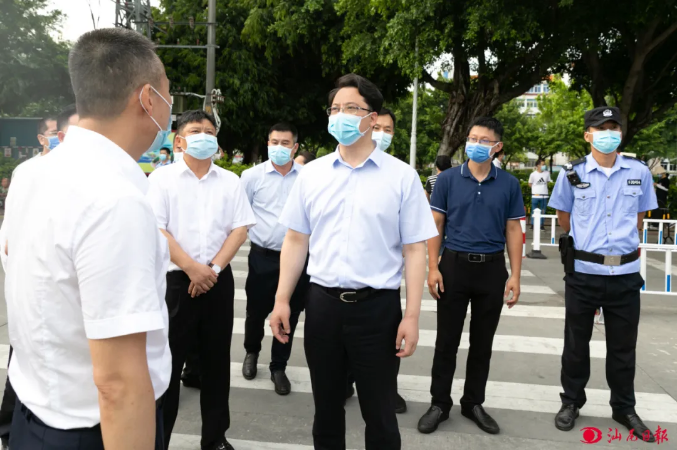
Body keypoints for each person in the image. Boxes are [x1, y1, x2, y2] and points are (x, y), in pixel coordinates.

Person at [2, 28, 172, 449]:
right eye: (169, 92)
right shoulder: (115, 200)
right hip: (94, 432)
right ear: (147, 99)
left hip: (33, 416)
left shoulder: (30, 174)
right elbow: (118, 384)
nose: (170, 105)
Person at [270, 73, 437, 450]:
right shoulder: (312, 175)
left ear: (372, 118)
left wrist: (412, 316)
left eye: (350, 108)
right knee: (326, 410)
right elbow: (296, 239)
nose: (340, 116)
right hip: (323, 307)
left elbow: (414, 249)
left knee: (380, 413)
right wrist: (282, 300)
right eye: (334, 109)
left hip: (377, 311)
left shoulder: (401, 177)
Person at [147, 109, 256, 450]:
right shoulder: (161, 180)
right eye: (196, 131)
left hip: (217, 281)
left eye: (210, 131)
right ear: (179, 140)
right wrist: (192, 268)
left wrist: (212, 269)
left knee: (216, 362)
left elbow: (240, 229)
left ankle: (215, 438)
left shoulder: (230, 181)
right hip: (176, 283)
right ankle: (159, 439)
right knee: (169, 363)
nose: (204, 136)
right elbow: (157, 229)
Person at [549, 106, 657, 442]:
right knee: (576, 344)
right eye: (600, 128)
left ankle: (624, 407)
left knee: (624, 348)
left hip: (625, 274)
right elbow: (565, 219)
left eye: (613, 128)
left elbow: (638, 218)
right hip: (584, 272)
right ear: (588, 135)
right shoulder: (571, 174)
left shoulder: (639, 172)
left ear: (620, 134)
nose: (608, 134)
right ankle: (571, 402)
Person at [418, 116, 524, 436]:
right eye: (472, 138)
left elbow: (513, 229)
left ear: (497, 147)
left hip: (491, 269)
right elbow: (436, 224)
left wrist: (515, 275)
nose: (476, 144)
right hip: (454, 266)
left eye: (484, 140)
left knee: (482, 342)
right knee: (446, 341)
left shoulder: (509, 184)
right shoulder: (448, 179)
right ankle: (439, 403)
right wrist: (432, 267)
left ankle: (473, 402)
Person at [0, 102, 79, 449]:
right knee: (22, 366)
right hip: (36, 289)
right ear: (48, 137)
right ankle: (8, 429)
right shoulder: (29, 173)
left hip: (69, 296)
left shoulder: (92, 175)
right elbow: (10, 236)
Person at [344, 106, 407, 414]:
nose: (381, 134)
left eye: (388, 130)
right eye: (377, 127)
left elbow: (414, 244)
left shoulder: (400, 175)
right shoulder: (328, 171)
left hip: (381, 289)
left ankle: (386, 390)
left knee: (385, 351)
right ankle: (344, 382)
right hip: (338, 285)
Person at [239, 122, 310, 395]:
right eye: (274, 142)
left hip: (297, 259)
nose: (279, 147)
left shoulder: (307, 177)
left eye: (285, 143)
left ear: (295, 147)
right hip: (262, 257)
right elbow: (241, 216)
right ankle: (251, 352)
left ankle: (278, 367)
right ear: (268, 144)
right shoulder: (251, 176)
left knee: (290, 311)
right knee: (255, 311)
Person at [528, 158, 552, 230]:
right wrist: (535, 189)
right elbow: (529, 183)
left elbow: (548, 182)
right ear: (538, 165)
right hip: (535, 195)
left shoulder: (547, 173)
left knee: (543, 211)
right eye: (542, 164)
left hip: (544, 195)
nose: (544, 166)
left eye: (544, 164)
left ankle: (542, 225)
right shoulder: (533, 174)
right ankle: (532, 224)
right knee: (533, 210)